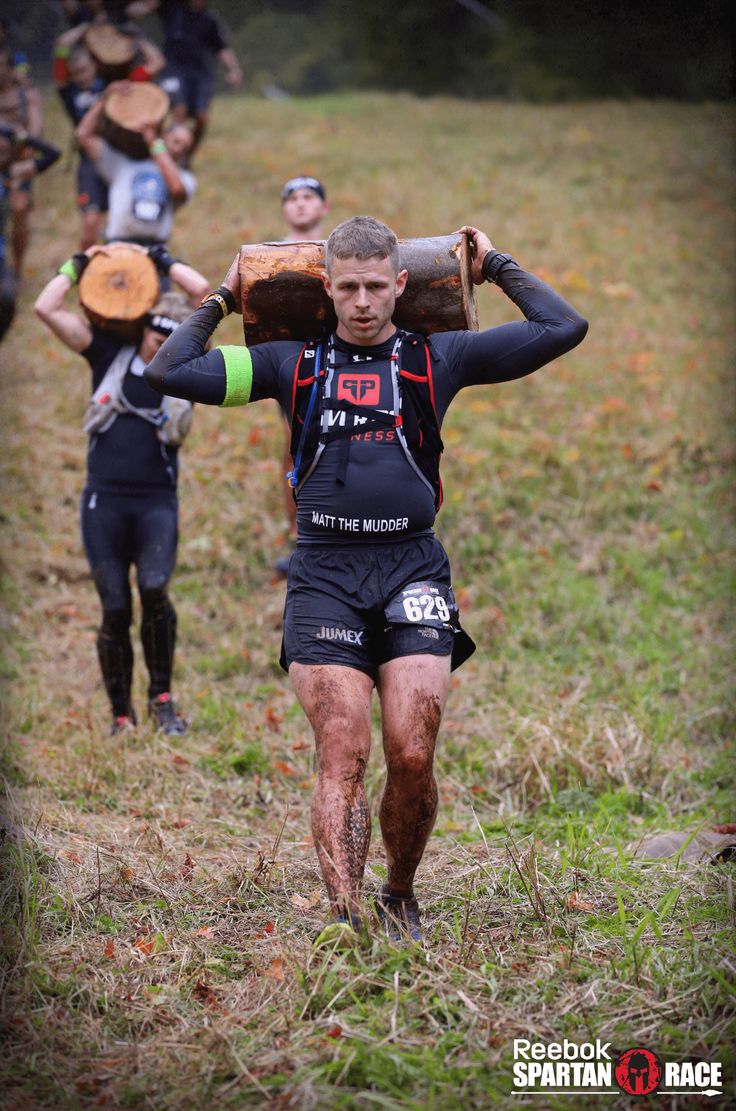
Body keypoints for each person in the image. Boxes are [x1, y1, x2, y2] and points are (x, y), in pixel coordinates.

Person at [144, 216, 588, 942]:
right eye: (346, 286)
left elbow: (562, 327)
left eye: (375, 286)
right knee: (343, 750)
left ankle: (399, 892)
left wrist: (495, 263)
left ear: (400, 284)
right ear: (326, 286)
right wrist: (226, 294)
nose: (360, 301)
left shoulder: (436, 358)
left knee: (412, 751)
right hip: (323, 574)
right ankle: (347, 918)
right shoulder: (293, 365)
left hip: (413, 566)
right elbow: (169, 370)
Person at [34, 243, 210, 734]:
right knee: (114, 607)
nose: (162, 344)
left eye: (173, 338)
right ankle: (120, 714)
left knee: (154, 590)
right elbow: (44, 308)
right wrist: (77, 265)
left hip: (157, 502)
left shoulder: (184, 371)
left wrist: (161, 260)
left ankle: (162, 699)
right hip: (104, 503)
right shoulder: (108, 353)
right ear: (143, 325)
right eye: (156, 333)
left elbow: (205, 294)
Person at [54, 25, 164, 248]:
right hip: (89, 160)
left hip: (116, 158)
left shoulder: (116, 85)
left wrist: (139, 37)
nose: (80, 77)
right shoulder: (69, 90)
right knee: (91, 221)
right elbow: (61, 48)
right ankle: (83, 271)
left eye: (84, 70)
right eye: (76, 73)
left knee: (115, 221)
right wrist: (87, 25)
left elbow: (157, 64)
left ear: (95, 65)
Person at [273, 175, 331, 574]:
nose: (300, 204)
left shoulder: (339, 252)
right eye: (292, 198)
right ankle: (301, 539)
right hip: (291, 366)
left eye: (309, 196)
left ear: (323, 207)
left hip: (337, 357)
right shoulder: (267, 257)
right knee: (294, 447)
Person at [75, 80, 195, 250]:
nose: (179, 149)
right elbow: (83, 136)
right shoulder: (122, 166)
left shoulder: (186, 179)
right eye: (176, 141)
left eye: (185, 147)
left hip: (156, 251)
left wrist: (154, 142)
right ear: (165, 135)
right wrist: (104, 100)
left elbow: (176, 189)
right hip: (117, 246)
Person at [135, 0, 242, 157]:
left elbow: (222, 47)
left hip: (199, 73)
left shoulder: (209, 20)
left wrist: (234, 69)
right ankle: (167, 153)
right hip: (174, 70)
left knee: (202, 117)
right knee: (180, 110)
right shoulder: (172, 9)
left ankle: (187, 155)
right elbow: (144, 8)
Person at [0, 123, 60, 338]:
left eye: (4, 150)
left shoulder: (12, 174)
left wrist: (20, 135)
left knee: (8, 299)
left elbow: (53, 154)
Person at [0, 46, 44, 277]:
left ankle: (16, 269)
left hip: (17, 166)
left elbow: (35, 133)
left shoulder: (26, 96)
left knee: (18, 209)